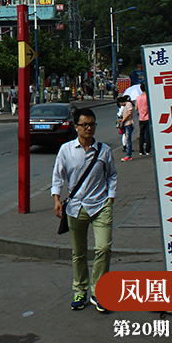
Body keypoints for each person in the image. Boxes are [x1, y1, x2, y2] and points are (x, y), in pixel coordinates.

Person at [51, 108, 117, 313]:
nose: (89, 128)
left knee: (103, 248)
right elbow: (58, 176)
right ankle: (80, 290)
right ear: (76, 126)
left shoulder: (104, 150)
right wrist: (56, 200)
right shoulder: (66, 150)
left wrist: (111, 197)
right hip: (75, 207)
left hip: (100, 205)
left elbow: (112, 175)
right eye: (85, 125)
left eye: (92, 124)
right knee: (78, 253)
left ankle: (99, 292)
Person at [136, 84, 151, 156]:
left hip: (141, 118)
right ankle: (148, 150)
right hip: (148, 118)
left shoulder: (138, 98)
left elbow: (136, 108)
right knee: (148, 134)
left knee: (141, 134)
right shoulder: (147, 97)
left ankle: (141, 150)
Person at [119, 94, 135, 161]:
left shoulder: (128, 104)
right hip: (127, 123)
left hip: (129, 123)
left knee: (128, 139)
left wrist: (123, 120)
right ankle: (128, 154)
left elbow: (129, 113)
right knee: (127, 139)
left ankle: (128, 155)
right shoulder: (127, 105)